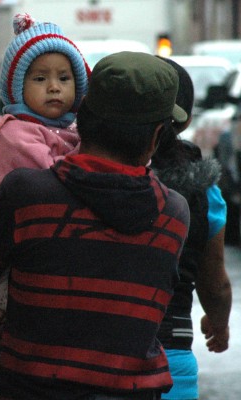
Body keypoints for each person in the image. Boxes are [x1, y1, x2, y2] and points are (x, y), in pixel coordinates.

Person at [0, 51, 191, 399]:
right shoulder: (173, 214)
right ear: (155, 137)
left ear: (82, 114)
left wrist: (9, 324)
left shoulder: (26, 193)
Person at [0, 12, 91, 390]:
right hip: (17, 255)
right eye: (40, 78)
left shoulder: (73, 129)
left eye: (64, 78)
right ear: (17, 87)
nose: (54, 88)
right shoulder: (16, 133)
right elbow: (53, 180)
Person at [151, 57, 232, 400]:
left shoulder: (74, 173)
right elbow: (213, 278)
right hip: (171, 358)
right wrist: (219, 323)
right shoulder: (201, 188)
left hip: (86, 364)